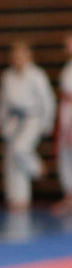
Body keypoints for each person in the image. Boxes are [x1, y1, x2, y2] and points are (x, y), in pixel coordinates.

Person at [0, 39, 55, 211]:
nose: (18, 57)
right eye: (15, 54)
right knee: (11, 162)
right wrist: (1, 122)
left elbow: (48, 101)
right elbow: (3, 102)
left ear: (29, 55)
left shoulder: (37, 75)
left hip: (32, 118)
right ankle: (18, 199)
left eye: (21, 54)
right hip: (12, 120)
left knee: (20, 149)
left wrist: (47, 124)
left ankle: (38, 168)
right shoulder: (7, 75)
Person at [54, 32, 72, 217]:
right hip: (66, 115)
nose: (67, 46)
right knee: (65, 158)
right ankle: (69, 196)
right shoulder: (67, 67)